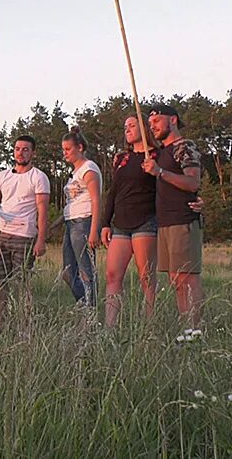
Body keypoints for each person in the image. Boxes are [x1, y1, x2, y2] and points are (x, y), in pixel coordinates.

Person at [0, 135, 50, 333]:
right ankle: (0, 324)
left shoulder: (39, 177)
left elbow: (43, 211)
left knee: (22, 283)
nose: (20, 153)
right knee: (0, 282)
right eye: (17, 149)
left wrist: (41, 240)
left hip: (25, 236)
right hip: (1, 235)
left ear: (33, 152)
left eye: (25, 149)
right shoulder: (2, 176)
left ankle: (25, 325)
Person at [141, 105, 204, 327]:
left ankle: (194, 332)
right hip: (165, 222)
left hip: (183, 220)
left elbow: (192, 182)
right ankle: (186, 329)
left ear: (173, 120)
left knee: (187, 279)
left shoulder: (184, 147)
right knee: (176, 280)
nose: (153, 127)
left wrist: (159, 172)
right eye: (150, 124)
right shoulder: (160, 153)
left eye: (157, 121)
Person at [101, 115, 160, 328]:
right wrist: (105, 222)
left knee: (146, 277)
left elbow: (166, 185)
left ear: (144, 128)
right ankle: (110, 327)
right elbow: (113, 191)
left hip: (145, 221)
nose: (127, 129)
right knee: (112, 275)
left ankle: (149, 326)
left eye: (132, 125)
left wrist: (155, 170)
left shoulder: (156, 156)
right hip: (120, 224)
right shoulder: (121, 159)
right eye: (125, 126)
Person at [58, 128, 102, 310]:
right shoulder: (74, 174)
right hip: (71, 223)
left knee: (86, 270)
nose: (65, 153)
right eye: (63, 150)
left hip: (83, 222)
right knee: (68, 272)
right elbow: (71, 203)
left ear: (80, 147)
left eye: (68, 149)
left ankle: (90, 309)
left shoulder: (89, 169)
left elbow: (96, 199)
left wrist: (94, 231)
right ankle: (84, 302)